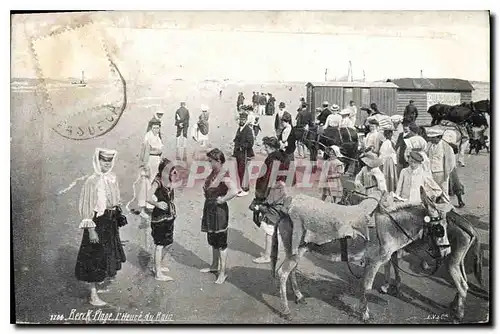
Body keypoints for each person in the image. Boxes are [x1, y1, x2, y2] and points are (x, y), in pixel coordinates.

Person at [75, 148, 126, 306]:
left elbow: (115, 199)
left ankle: (98, 285)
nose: (107, 164)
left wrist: (117, 214)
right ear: (98, 161)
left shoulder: (112, 178)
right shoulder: (92, 181)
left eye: (109, 161)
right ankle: (92, 294)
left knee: (107, 254)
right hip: (97, 222)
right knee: (94, 257)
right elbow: (86, 207)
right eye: (104, 161)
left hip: (109, 222)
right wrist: (91, 230)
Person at [200, 149, 239, 284]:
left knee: (221, 243)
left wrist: (222, 199)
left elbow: (234, 190)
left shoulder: (223, 174)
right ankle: (214, 266)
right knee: (213, 239)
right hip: (210, 209)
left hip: (219, 211)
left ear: (218, 161)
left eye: (211, 161)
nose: (209, 163)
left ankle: (222, 273)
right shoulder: (215, 172)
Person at [252, 136, 289, 264]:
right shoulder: (284, 157)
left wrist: (260, 197)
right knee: (275, 227)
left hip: (271, 195)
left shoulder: (272, 159)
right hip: (280, 194)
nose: (265, 149)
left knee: (269, 227)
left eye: (265, 147)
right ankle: (274, 253)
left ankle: (268, 256)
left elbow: (266, 179)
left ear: (269, 147)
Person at [147, 158, 179, 281]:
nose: (174, 172)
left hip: (169, 215)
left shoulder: (169, 180)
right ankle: (158, 273)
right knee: (160, 244)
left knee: (168, 243)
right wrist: (158, 204)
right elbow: (148, 197)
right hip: (159, 217)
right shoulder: (158, 181)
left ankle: (157, 265)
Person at [137, 120, 164, 219]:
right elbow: (145, 152)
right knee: (145, 184)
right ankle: (142, 209)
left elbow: (160, 150)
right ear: (151, 128)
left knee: (152, 184)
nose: (156, 130)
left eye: (158, 128)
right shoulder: (148, 136)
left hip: (156, 161)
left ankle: (150, 206)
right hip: (150, 161)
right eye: (154, 128)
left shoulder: (157, 136)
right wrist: (145, 165)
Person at [426, 128, 456, 196]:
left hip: (441, 172)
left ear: (439, 137)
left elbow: (451, 161)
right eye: (431, 138)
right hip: (430, 171)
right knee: (433, 190)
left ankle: (446, 204)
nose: (431, 139)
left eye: (433, 138)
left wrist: (447, 172)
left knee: (443, 190)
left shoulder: (446, 146)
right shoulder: (429, 145)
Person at [233, 112, 255, 196]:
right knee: (240, 171)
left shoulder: (248, 130)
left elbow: (250, 143)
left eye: (243, 119)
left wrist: (242, 147)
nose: (241, 121)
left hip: (246, 154)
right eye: (240, 119)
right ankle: (241, 187)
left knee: (244, 172)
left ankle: (245, 190)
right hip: (239, 154)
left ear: (246, 120)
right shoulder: (240, 128)